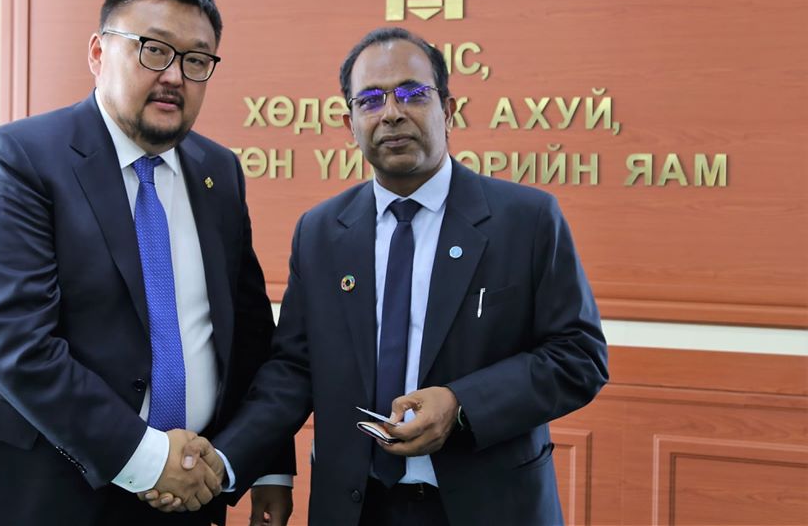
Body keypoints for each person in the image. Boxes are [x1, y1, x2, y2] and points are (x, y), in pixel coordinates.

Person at [148, 26, 608, 525]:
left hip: (489, 505)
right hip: (355, 508)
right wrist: (225, 460)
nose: (391, 112)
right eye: (370, 100)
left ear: (447, 110)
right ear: (350, 124)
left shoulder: (526, 220)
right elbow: (293, 370)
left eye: (412, 94)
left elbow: (578, 356)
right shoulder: (321, 232)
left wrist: (461, 405)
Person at [0, 0, 294, 526]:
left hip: (187, 495)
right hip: (39, 495)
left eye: (196, 60)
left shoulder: (218, 171)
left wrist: (267, 467)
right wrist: (148, 459)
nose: (174, 76)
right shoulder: (17, 159)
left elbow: (248, 332)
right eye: (154, 50)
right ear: (98, 53)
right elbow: (16, 344)